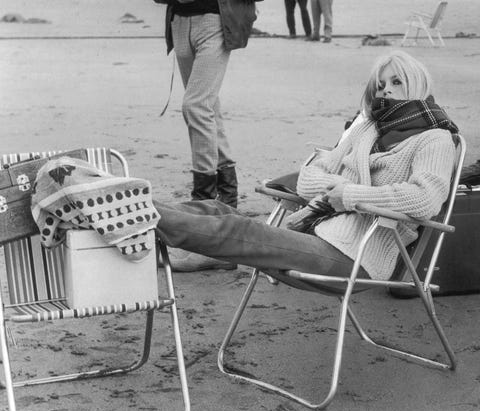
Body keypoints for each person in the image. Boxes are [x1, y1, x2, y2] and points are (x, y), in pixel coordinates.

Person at [154, 51, 458, 277]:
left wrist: (349, 194)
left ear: (417, 85)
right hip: (319, 231)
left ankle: (142, 219)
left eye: (396, 82)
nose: (386, 91)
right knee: (216, 209)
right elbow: (309, 176)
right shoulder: (368, 130)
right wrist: (335, 189)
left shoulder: (435, 140)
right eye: (380, 85)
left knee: (241, 228)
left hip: (356, 256)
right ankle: (139, 206)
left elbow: (424, 199)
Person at [154, 0, 262, 208]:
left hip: (216, 20)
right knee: (207, 106)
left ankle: (204, 195)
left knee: (196, 105)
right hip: (179, 21)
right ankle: (227, 192)